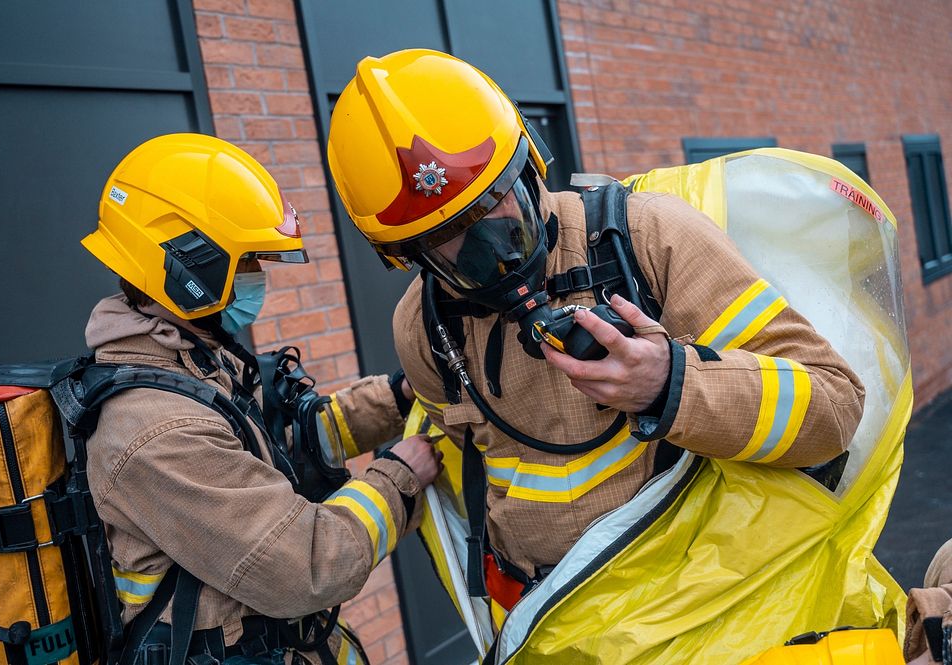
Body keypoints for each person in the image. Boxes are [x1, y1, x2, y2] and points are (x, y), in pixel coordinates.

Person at [326, 49, 864, 601]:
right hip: (553, 626)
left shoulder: (650, 237)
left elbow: (835, 406)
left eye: (495, 204)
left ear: (531, 165)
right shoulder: (423, 328)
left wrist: (669, 385)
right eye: (447, 239)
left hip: (698, 608)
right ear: (406, 257)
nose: (488, 250)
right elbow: (468, 454)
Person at [81, 133, 441, 664]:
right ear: (188, 268)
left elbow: (286, 443)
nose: (258, 278)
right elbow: (308, 565)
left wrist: (395, 397)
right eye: (246, 261)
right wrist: (398, 477)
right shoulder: (156, 432)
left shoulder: (194, 363)